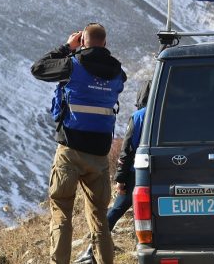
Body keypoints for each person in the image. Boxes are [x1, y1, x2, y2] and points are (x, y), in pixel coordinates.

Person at [31, 23, 127, 264]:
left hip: (70, 150)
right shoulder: (118, 73)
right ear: (104, 43)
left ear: (83, 41)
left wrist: (66, 47)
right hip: (99, 155)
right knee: (99, 219)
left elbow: (38, 68)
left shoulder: (71, 65)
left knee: (62, 211)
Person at [74, 80, 150, 264]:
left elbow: (127, 150)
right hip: (162, 171)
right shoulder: (167, 113)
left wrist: (120, 179)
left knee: (115, 211)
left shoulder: (139, 116)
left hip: (137, 174)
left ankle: (92, 252)